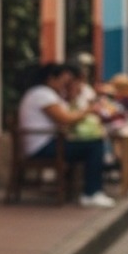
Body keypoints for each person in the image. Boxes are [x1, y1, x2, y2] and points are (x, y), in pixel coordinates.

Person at [17, 62, 115, 208]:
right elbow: (65, 119)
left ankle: (88, 190)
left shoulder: (47, 94)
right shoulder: (42, 95)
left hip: (50, 142)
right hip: (42, 147)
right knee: (94, 146)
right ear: (51, 78)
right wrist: (88, 110)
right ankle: (91, 193)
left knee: (92, 143)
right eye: (63, 81)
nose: (65, 85)